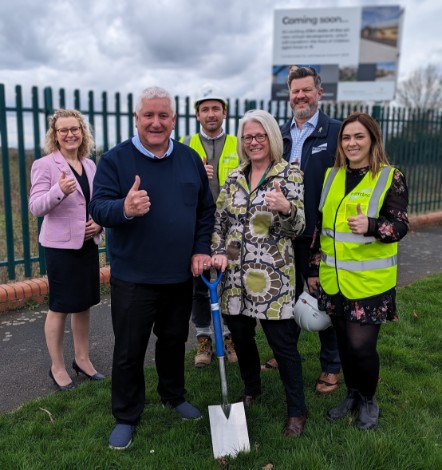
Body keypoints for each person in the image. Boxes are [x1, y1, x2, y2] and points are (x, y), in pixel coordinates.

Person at [89, 86, 215, 450]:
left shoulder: (190, 159)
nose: (156, 122)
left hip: (179, 275)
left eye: (164, 116)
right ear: (137, 119)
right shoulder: (116, 160)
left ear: (173, 120)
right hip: (134, 278)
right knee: (129, 349)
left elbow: (205, 211)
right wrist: (125, 209)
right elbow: (98, 209)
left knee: (174, 341)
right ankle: (127, 415)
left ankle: (173, 395)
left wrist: (200, 250)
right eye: (149, 115)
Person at [308, 112, 408, 430]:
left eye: (359, 137)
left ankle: (368, 400)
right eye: (346, 137)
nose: (352, 143)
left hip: (369, 282)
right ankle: (351, 394)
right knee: (343, 344)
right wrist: (313, 268)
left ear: (372, 140)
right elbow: (321, 229)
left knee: (362, 347)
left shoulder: (389, 177)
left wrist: (373, 226)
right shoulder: (332, 176)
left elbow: (401, 225)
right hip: (333, 280)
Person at [211, 109, 308, 437]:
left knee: (282, 346)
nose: (253, 142)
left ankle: (297, 410)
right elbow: (219, 222)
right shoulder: (234, 176)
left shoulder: (289, 175)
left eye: (259, 136)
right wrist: (216, 253)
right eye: (248, 137)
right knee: (241, 336)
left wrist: (286, 208)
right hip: (235, 277)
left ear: (271, 138)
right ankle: (252, 388)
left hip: (273, 279)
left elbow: (298, 226)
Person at [261, 65, 342, 395]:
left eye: (307, 90)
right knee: (287, 297)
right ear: (289, 95)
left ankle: (331, 365)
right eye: (295, 91)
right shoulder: (279, 135)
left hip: (318, 234)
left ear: (319, 93)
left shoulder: (334, 132)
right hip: (283, 234)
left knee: (323, 298)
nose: (301, 96)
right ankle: (286, 353)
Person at [29, 109, 104, 392]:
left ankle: (82, 360)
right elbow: (36, 207)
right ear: (55, 135)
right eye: (63, 130)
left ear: (82, 132)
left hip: (87, 245)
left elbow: (96, 204)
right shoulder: (45, 165)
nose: (70, 134)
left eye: (75, 129)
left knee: (84, 304)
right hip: (60, 248)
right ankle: (57, 367)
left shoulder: (90, 166)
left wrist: (99, 224)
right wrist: (59, 189)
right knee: (60, 307)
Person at [180, 84, 240, 367]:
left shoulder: (238, 144)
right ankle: (204, 339)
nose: (211, 114)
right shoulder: (183, 144)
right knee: (199, 286)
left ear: (224, 112)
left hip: (231, 227)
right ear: (197, 115)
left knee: (229, 283)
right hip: (197, 226)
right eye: (205, 109)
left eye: (216, 108)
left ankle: (229, 337)